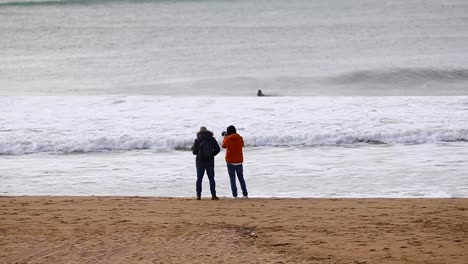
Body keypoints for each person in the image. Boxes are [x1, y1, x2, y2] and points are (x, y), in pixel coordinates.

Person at [191, 126, 220, 200]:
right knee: (211, 178)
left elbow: (194, 152)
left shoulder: (197, 140)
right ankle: (213, 195)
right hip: (209, 161)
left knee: (199, 179)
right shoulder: (211, 139)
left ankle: (198, 196)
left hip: (200, 162)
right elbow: (218, 149)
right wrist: (211, 155)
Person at [222, 125, 248, 199]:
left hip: (230, 161)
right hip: (239, 160)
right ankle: (245, 194)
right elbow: (242, 145)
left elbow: (223, 146)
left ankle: (235, 195)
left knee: (232, 179)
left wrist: (225, 137)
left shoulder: (228, 139)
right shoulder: (240, 138)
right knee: (241, 178)